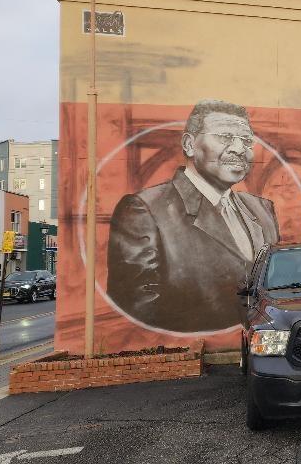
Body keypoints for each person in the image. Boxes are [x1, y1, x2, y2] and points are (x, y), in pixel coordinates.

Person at [107, 100, 279, 333]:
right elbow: (139, 312)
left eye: (247, 141)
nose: (240, 149)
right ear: (189, 144)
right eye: (225, 137)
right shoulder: (144, 210)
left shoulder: (262, 209)